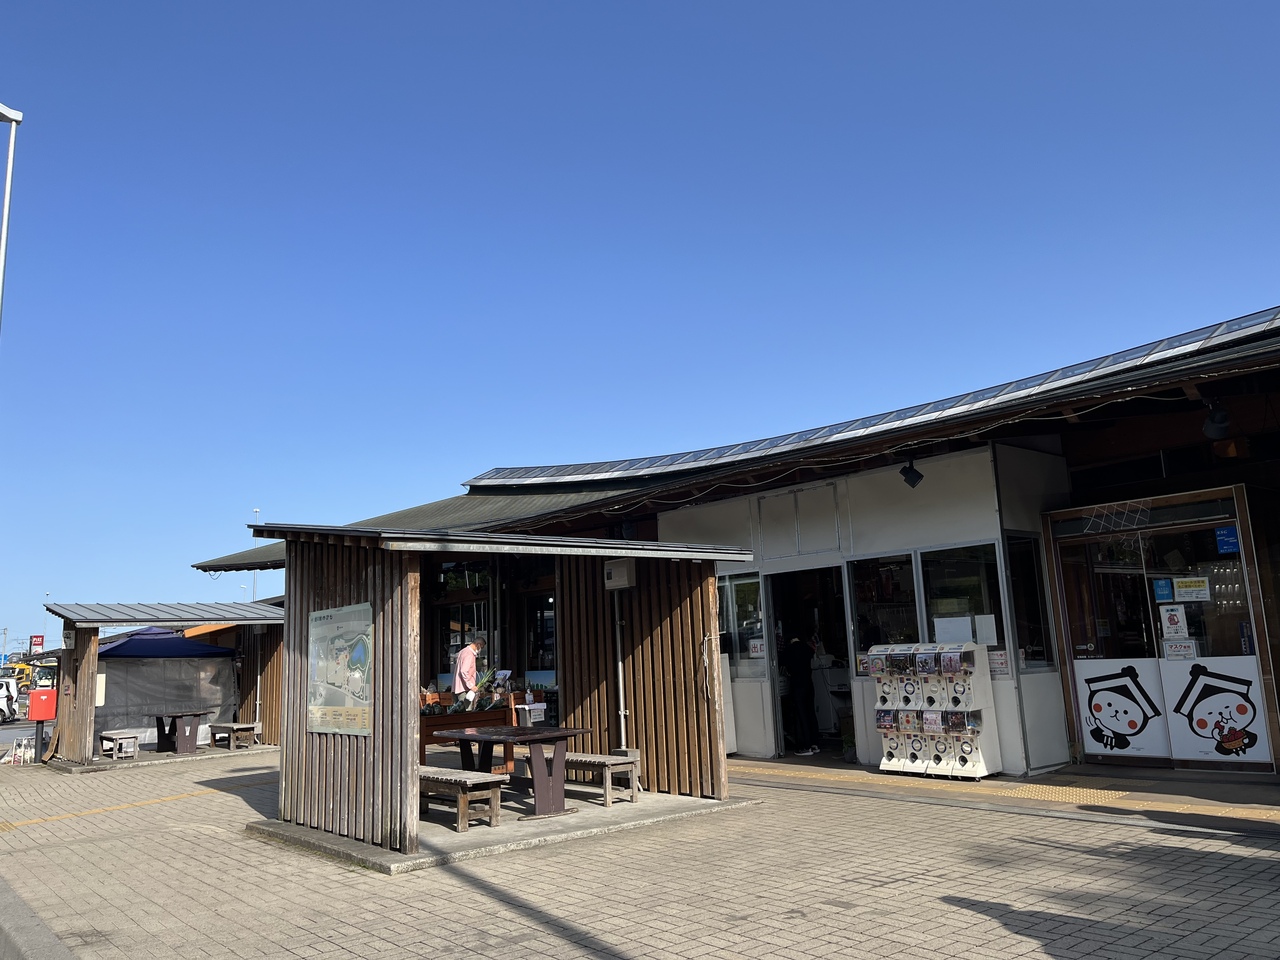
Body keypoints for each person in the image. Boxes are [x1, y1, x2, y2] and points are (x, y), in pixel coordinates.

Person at [782, 636, 819, 756]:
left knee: (800, 714)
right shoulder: (807, 648)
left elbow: (783, 665)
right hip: (809, 683)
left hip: (797, 684)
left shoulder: (789, 650)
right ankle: (814, 743)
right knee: (810, 712)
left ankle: (804, 746)